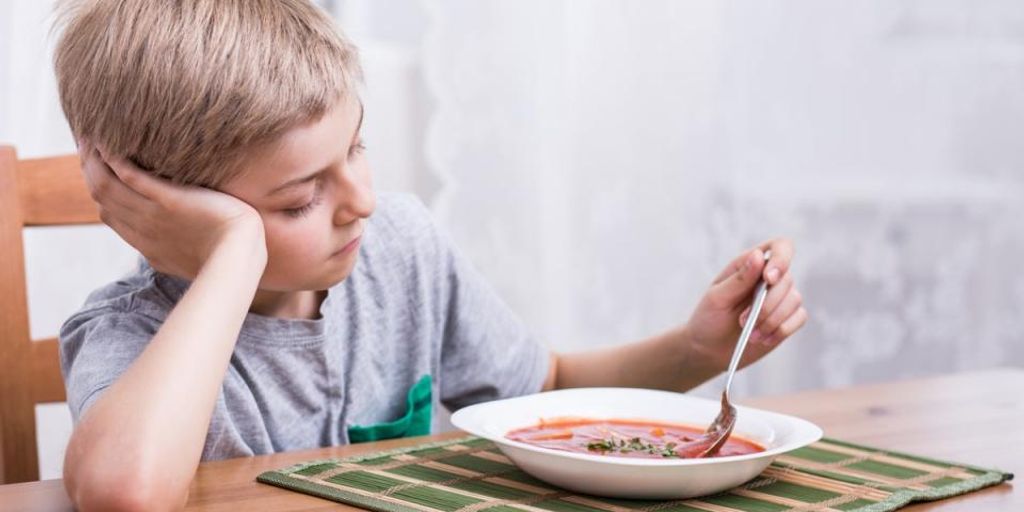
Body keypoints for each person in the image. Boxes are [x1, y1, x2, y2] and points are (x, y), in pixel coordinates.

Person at [53, 1, 807, 510]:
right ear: (173, 209)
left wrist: (695, 348)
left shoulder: (398, 249)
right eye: (298, 199)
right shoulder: (129, 334)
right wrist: (233, 253)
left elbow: (543, 387)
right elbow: (127, 492)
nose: (362, 201)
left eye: (357, 148)